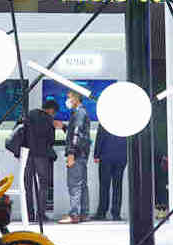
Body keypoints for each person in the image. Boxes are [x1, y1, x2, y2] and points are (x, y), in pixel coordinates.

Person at [24, 99, 60, 223]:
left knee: (27, 185)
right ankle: (40, 215)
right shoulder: (49, 119)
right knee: (43, 185)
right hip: (42, 155)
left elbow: (21, 131)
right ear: (51, 110)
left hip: (28, 155)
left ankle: (29, 215)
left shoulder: (30, 114)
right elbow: (51, 140)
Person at [59, 90, 91, 224]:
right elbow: (78, 132)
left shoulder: (78, 112)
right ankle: (84, 214)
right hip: (82, 153)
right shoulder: (82, 112)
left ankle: (74, 215)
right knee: (82, 185)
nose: (68, 100)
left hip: (76, 154)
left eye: (69, 97)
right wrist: (64, 127)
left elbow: (76, 133)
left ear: (76, 98)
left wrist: (71, 153)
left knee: (74, 184)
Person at [91, 124, 127, 221]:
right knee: (118, 186)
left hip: (106, 156)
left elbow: (100, 137)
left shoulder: (105, 120)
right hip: (121, 156)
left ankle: (102, 212)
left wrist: (96, 155)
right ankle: (116, 214)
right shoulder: (126, 121)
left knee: (104, 186)